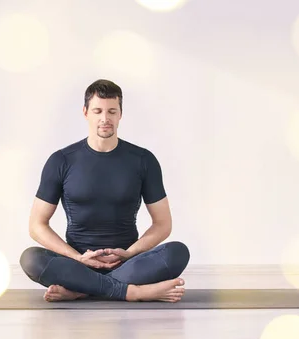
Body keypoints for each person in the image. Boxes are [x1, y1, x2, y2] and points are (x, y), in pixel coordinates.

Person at [19, 79, 190, 302]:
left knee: (178, 252)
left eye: (112, 111)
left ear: (120, 114)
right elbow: (36, 225)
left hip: (129, 263)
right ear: (85, 112)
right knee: (31, 259)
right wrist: (78, 258)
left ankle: (81, 290)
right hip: (78, 263)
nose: (105, 118)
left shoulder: (143, 160)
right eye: (98, 111)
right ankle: (133, 292)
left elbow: (163, 223)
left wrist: (130, 253)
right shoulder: (61, 161)